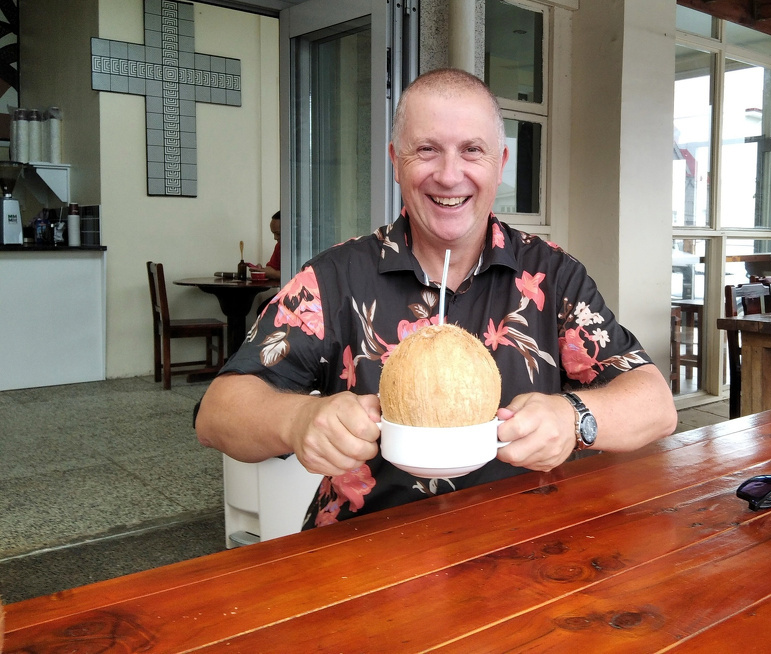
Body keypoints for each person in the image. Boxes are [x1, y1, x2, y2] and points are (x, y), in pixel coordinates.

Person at [195, 68, 677, 529]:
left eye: (473, 150)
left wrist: (577, 419)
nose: (450, 176)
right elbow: (217, 414)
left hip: (527, 544)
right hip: (364, 549)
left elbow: (655, 405)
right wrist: (297, 419)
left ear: (500, 163)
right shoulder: (336, 277)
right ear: (396, 160)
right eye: (426, 149)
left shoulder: (550, 274)